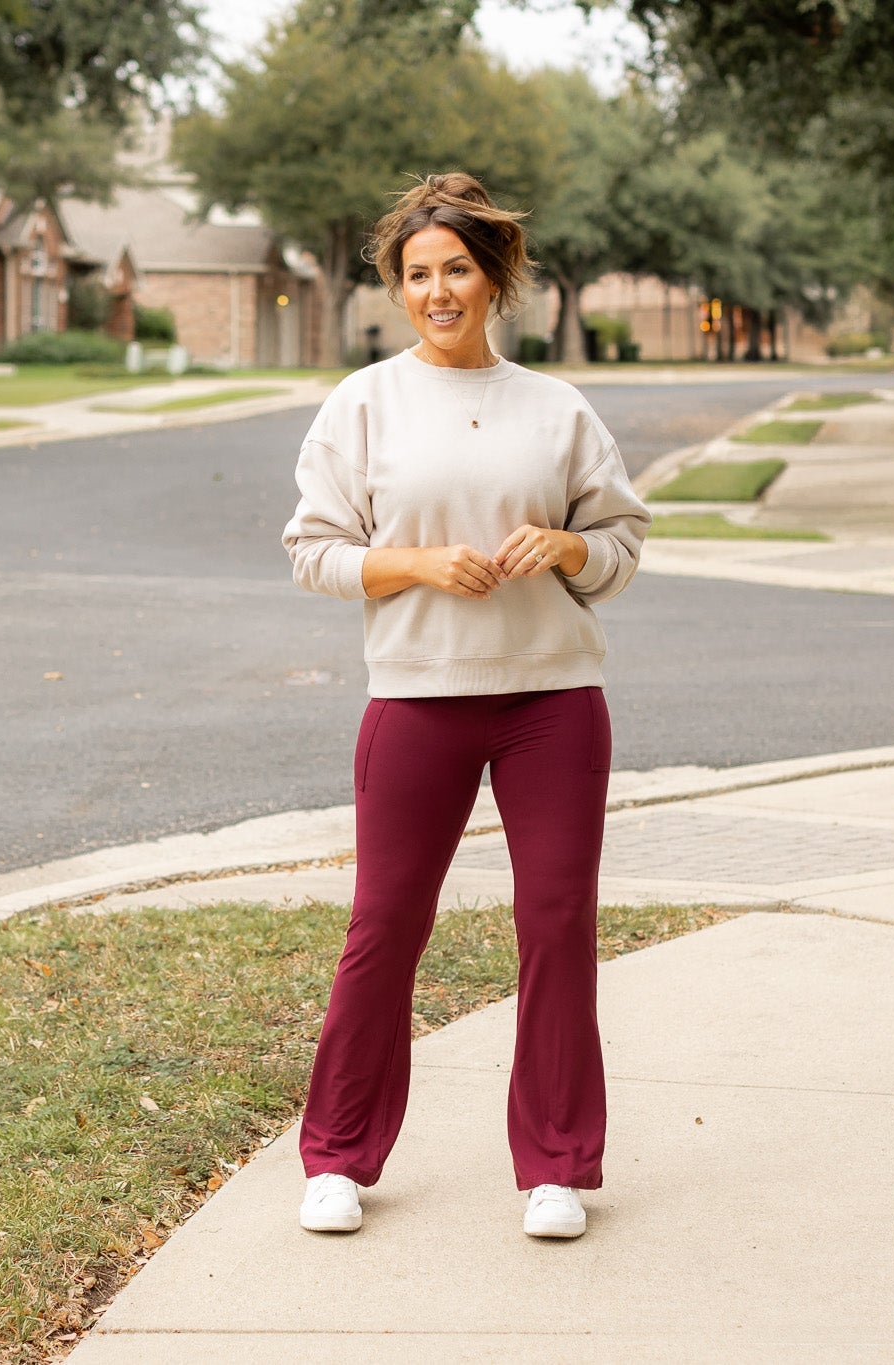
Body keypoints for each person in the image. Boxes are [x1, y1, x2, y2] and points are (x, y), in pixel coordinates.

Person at [281, 172, 651, 1240]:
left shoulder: (557, 408)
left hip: (552, 700)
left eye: (455, 270)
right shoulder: (361, 404)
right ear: (398, 290)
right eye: (416, 275)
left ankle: (556, 1168)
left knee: (555, 927)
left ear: (494, 279)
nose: (437, 291)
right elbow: (313, 553)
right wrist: (414, 567)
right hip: (418, 698)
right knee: (384, 925)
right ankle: (338, 1158)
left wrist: (569, 544)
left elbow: (620, 543)